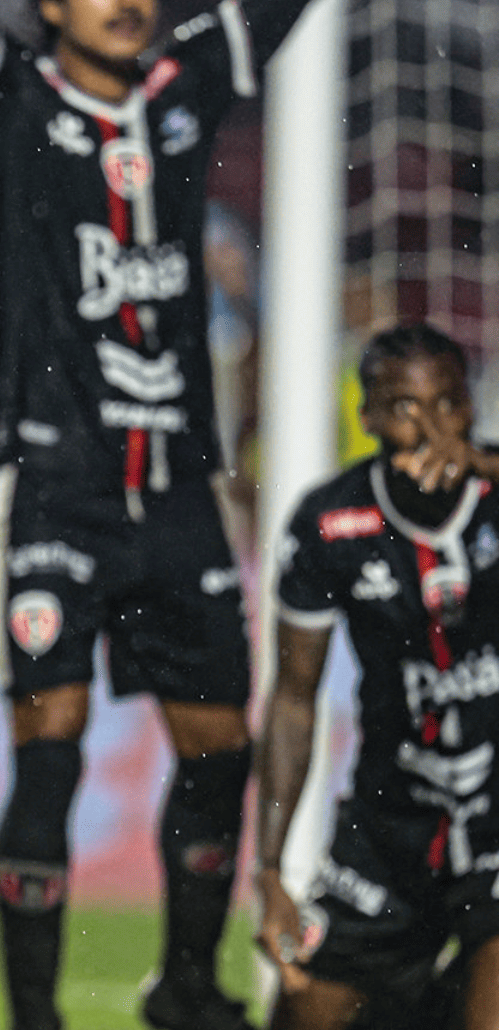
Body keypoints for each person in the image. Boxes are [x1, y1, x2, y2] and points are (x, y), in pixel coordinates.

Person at [0, 0, 365, 1027]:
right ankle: (36, 1017)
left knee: (220, 749)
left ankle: (187, 987)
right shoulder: (6, 95)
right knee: (48, 748)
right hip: (53, 483)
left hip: (180, 488)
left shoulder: (185, 87)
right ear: (50, 1)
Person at [257, 323, 499, 1030]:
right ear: (366, 417)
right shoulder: (330, 522)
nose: (430, 428)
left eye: (448, 404)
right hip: (393, 819)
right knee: (303, 1009)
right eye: (404, 408)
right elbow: (295, 701)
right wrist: (271, 871)